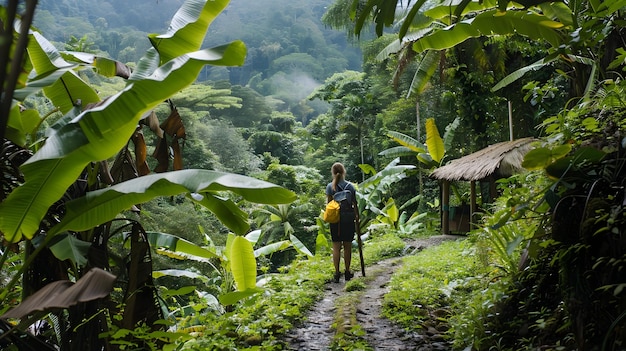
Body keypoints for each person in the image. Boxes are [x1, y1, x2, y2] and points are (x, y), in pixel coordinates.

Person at [325, 162, 357, 283]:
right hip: (348, 220)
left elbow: (329, 205)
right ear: (344, 172)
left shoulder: (330, 187)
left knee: (336, 247)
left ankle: (337, 273)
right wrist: (356, 217)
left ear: (333, 173)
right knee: (347, 246)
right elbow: (354, 204)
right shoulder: (350, 186)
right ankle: (347, 272)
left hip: (335, 220)